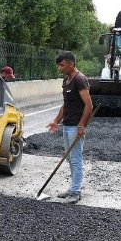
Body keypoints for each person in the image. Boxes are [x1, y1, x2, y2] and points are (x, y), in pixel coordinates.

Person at [46, 51, 93, 203]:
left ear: (71, 64)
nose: (59, 68)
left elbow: (89, 105)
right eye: (59, 65)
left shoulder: (80, 79)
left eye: (62, 65)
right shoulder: (66, 80)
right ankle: (73, 187)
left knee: (76, 159)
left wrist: (81, 125)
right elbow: (66, 105)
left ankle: (75, 192)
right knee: (69, 159)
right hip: (67, 125)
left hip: (75, 126)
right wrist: (56, 121)